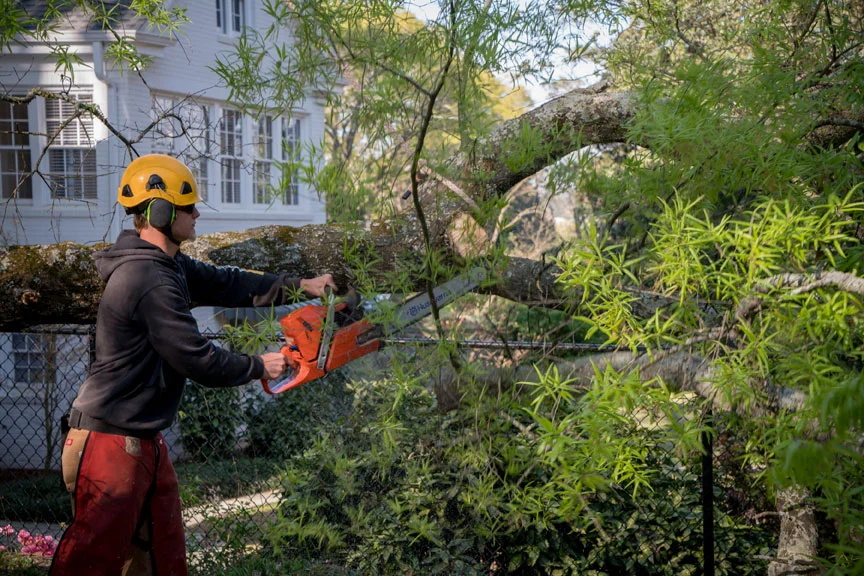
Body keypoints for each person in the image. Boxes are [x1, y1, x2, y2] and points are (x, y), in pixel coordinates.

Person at [48, 154, 336, 576]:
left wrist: (299, 286)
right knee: (89, 564)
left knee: (163, 558)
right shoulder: (146, 279)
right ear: (161, 212)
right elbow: (195, 357)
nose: (197, 213)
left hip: (141, 438)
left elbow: (229, 282)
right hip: (110, 442)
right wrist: (259, 365)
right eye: (189, 207)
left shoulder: (169, 267)